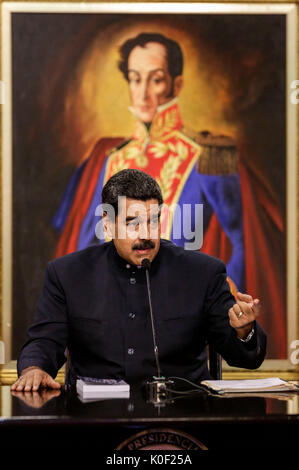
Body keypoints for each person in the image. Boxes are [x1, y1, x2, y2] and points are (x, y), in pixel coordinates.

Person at [12, 169, 266, 392]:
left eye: (153, 221)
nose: (145, 235)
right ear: (108, 225)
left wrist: (244, 331)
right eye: (132, 223)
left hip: (183, 417)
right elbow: (45, 340)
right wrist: (34, 369)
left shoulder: (202, 273)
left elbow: (246, 358)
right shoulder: (67, 274)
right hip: (95, 418)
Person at [52, 32, 244, 294]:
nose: (142, 93)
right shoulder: (108, 158)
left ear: (176, 85)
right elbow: (85, 250)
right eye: (135, 78)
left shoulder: (208, 159)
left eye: (155, 80)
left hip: (180, 307)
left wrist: (218, 312)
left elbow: (241, 245)